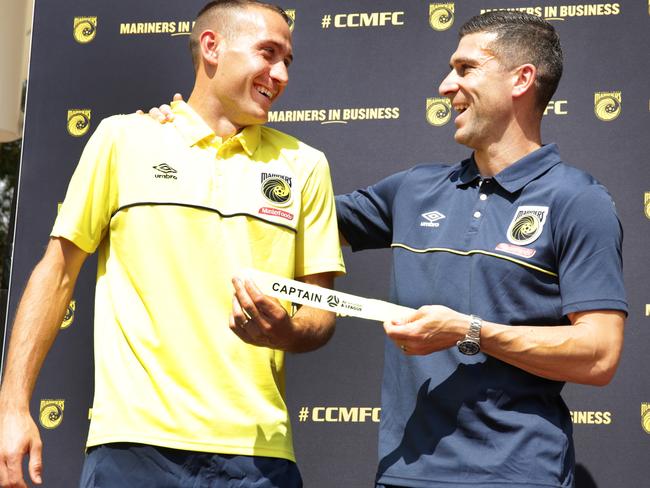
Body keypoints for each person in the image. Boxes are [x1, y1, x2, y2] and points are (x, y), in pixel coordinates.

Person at [0, 1, 344, 487]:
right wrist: (12, 408)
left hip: (257, 455)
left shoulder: (306, 165)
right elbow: (56, 274)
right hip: (133, 446)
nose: (281, 73)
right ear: (212, 47)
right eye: (268, 54)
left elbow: (321, 311)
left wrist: (284, 331)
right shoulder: (122, 138)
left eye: (288, 60)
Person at [336, 11, 626, 488]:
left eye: (466, 68)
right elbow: (292, 219)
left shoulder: (578, 199)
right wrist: (191, 134)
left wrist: (470, 331)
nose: (445, 85)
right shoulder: (414, 188)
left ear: (522, 79)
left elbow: (598, 354)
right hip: (403, 476)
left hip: (518, 475)